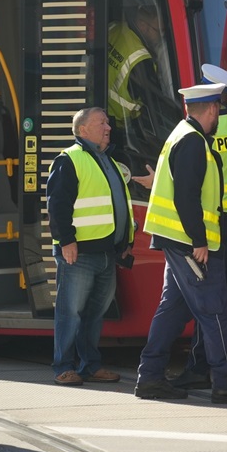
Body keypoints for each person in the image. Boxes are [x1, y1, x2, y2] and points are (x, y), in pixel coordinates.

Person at [134, 82, 227, 404]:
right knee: (216, 311)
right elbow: (186, 196)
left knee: (173, 310)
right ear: (212, 109)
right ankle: (226, 382)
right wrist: (199, 241)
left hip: (175, 239)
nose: (219, 112)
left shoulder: (182, 133)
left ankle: (149, 377)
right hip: (189, 242)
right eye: (218, 108)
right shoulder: (193, 142)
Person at [171, 64, 227, 389]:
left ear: (211, 97)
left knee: (209, 303)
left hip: (215, 228)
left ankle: (201, 369)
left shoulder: (205, 130)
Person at [45, 107, 134, 386]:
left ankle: (89, 365)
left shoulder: (106, 159)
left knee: (94, 314)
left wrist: (125, 242)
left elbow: (118, 204)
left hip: (107, 252)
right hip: (79, 253)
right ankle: (63, 367)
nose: (108, 127)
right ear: (83, 130)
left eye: (107, 122)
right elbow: (57, 205)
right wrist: (67, 241)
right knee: (70, 312)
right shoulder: (69, 160)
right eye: (101, 123)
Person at [106, 6, 179, 167]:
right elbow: (154, 102)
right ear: (142, 25)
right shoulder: (141, 60)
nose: (160, 37)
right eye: (157, 31)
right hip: (121, 126)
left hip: (101, 110)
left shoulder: (116, 28)